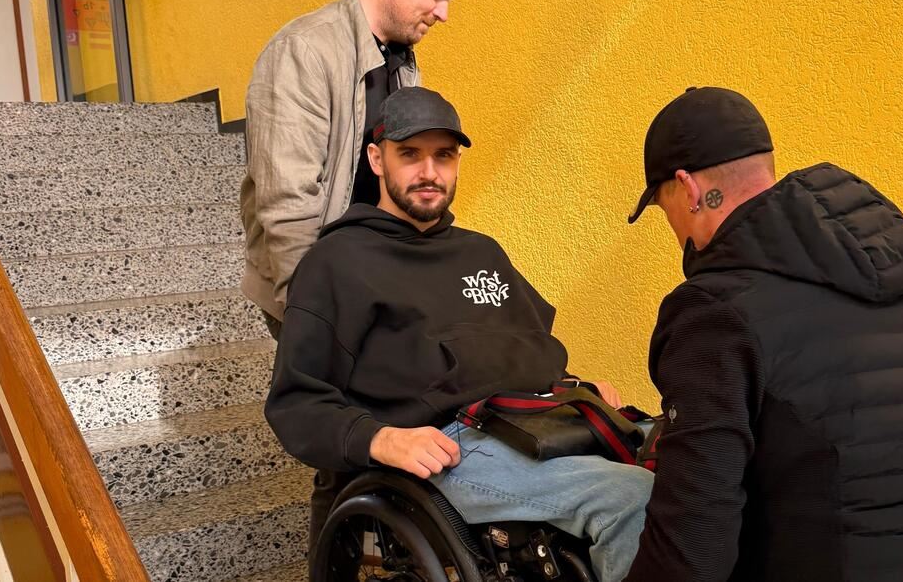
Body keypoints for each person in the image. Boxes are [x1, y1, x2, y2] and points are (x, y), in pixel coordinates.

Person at [624, 87, 903, 581]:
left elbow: (692, 552)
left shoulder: (715, 312)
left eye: (665, 210)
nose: (675, 232)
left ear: (688, 189)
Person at [264, 87, 653, 582]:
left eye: (444, 156)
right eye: (410, 154)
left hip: (534, 421)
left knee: (695, 465)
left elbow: (521, 350)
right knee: (633, 499)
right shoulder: (338, 263)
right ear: (377, 160)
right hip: (451, 447)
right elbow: (296, 402)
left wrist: (575, 390)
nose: (430, 172)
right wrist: (379, 438)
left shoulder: (481, 252)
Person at [241, 0, 466, 339]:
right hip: (316, 290)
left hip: (374, 278)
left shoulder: (401, 59)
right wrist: (312, 315)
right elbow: (288, 205)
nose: (443, 13)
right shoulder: (303, 52)